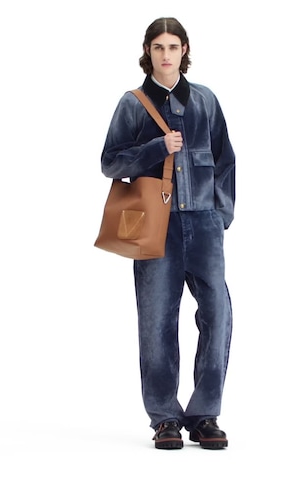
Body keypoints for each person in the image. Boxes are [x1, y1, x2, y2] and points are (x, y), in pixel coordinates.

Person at [100, 17, 235, 450]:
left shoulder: (206, 101)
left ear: (184, 50)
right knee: (157, 321)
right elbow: (110, 162)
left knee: (218, 314)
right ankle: (165, 418)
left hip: (205, 226)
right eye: (158, 47)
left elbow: (225, 161)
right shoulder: (133, 104)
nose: (165, 55)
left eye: (172, 47)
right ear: (148, 51)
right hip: (156, 227)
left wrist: (221, 216)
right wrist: (157, 148)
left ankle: (205, 414)